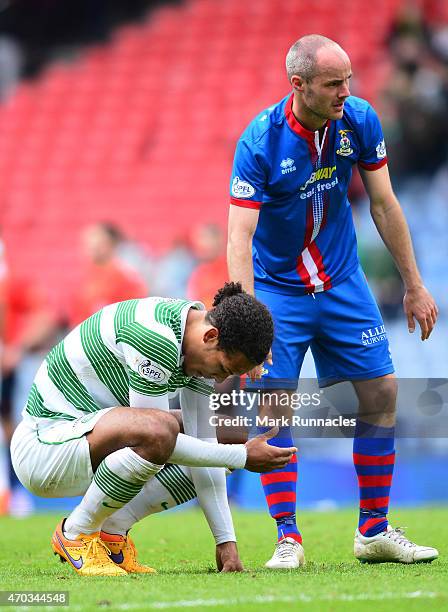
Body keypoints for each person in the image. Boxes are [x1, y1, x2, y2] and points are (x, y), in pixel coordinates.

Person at [227, 34, 439, 568]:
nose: (347, 90)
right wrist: (249, 327)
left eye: (348, 79)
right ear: (298, 85)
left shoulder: (359, 120)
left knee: (382, 393)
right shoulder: (260, 141)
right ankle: (288, 538)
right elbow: (238, 237)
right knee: (275, 404)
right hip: (279, 290)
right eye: (333, 83)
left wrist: (413, 284)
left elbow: (384, 204)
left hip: (343, 283)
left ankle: (373, 530)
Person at [11, 282, 295, 576]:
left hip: (88, 440)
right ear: (211, 336)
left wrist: (226, 543)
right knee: (163, 431)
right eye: (223, 368)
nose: (220, 378)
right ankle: (76, 533)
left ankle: (112, 532)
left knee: (228, 433)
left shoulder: (197, 342)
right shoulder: (155, 337)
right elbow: (159, 434)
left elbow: (202, 440)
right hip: (44, 449)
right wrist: (241, 457)